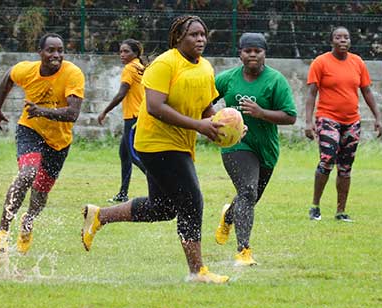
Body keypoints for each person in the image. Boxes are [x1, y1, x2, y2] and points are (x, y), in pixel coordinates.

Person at [80, 15, 229, 283]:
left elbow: (207, 107)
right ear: (178, 38)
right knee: (191, 201)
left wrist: (225, 127)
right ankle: (197, 272)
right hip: (154, 142)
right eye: (193, 34)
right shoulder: (164, 64)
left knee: (163, 207)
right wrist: (199, 125)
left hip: (180, 143)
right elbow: (155, 107)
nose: (200, 39)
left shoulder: (206, 67)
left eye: (203, 34)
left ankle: (100, 215)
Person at [0, 33, 85, 254]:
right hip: (30, 129)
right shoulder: (26, 70)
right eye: (51, 50)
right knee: (26, 175)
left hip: (59, 142)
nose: (56, 55)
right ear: (40, 52)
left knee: (41, 192)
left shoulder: (73, 74)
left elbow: (72, 114)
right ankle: (2, 231)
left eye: (60, 50)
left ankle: (27, 222)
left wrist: (41, 110)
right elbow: (7, 78)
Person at [212, 33, 297, 266]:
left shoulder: (275, 80)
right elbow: (203, 101)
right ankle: (243, 251)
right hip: (236, 145)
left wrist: (262, 113)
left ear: (264, 54)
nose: (252, 54)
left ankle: (229, 215)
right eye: (247, 50)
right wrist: (219, 122)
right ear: (240, 53)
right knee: (248, 192)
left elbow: (290, 116)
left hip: (266, 149)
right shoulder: (227, 78)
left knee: (249, 198)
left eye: (257, 51)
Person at [304, 26, 382, 222]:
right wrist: (308, 122)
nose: (342, 41)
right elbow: (311, 93)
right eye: (338, 37)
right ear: (332, 41)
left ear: (350, 41)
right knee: (327, 159)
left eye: (346, 37)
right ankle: (315, 206)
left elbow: (367, 92)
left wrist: (378, 118)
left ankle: (341, 211)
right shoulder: (320, 62)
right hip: (327, 118)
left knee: (346, 167)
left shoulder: (357, 62)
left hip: (352, 121)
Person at [96, 39, 147, 203]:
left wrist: (105, 111)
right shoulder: (141, 67)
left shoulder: (130, 68)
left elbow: (121, 93)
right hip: (140, 116)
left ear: (135, 53)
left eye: (126, 51)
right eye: (120, 52)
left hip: (132, 117)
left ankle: (160, 183)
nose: (122, 55)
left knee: (133, 156)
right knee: (124, 154)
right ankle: (123, 193)